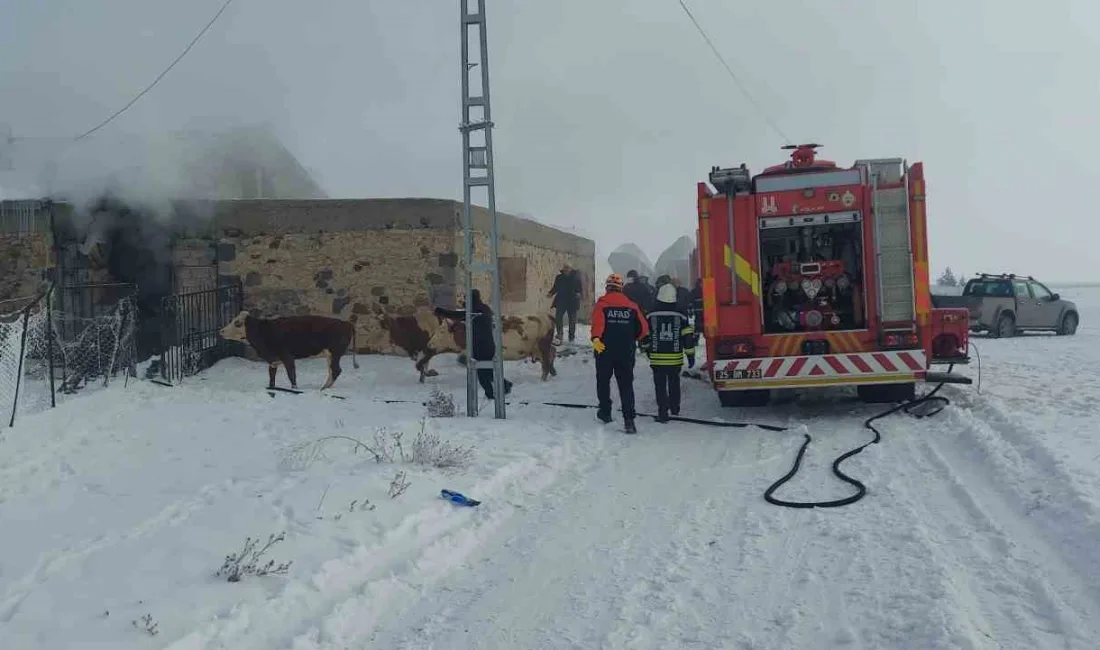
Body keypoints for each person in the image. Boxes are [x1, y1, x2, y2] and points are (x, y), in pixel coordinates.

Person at [591, 273, 649, 434]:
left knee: (603, 381)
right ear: (621, 288)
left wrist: (596, 340)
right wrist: (631, 339)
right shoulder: (632, 306)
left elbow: (597, 326)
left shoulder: (602, 304)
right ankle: (629, 420)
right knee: (626, 385)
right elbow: (643, 330)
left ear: (607, 287)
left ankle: (605, 412)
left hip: (604, 349)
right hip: (626, 351)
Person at [434, 289, 513, 400]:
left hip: (480, 347)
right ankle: (505, 385)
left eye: (467, 298)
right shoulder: (484, 308)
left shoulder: (474, 311)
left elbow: (457, 315)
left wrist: (440, 311)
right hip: (489, 346)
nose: (465, 300)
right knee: (488, 371)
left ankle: (490, 394)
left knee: (481, 374)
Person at [641, 283, 696, 422]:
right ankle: (675, 408)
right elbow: (688, 338)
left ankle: (662, 412)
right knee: (674, 383)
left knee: (659, 386)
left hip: (657, 359)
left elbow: (644, 336)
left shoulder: (650, 316)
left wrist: (647, 349)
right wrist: (690, 356)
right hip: (675, 359)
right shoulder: (681, 317)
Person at [548, 263, 582, 343]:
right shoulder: (559, 277)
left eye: (568, 268)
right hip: (561, 301)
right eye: (565, 268)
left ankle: (571, 337)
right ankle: (560, 334)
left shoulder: (576, 277)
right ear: (563, 269)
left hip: (572, 302)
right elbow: (555, 287)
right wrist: (551, 293)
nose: (566, 270)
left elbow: (579, 288)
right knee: (558, 318)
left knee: (572, 320)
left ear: (571, 269)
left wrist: (578, 293)